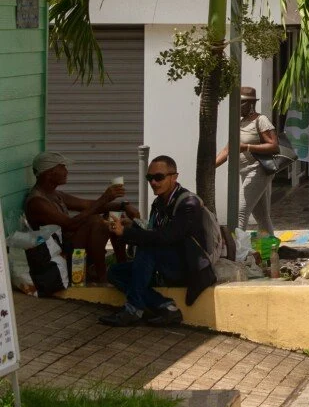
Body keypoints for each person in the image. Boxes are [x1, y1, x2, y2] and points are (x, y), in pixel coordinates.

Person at [100, 156, 216, 327]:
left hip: (188, 268)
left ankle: (133, 309)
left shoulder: (189, 204)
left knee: (148, 247)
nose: (153, 182)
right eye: (150, 178)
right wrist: (132, 225)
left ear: (174, 177)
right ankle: (166, 307)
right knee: (115, 272)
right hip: (162, 265)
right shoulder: (158, 203)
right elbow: (155, 233)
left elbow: (166, 237)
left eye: (159, 177)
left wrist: (126, 232)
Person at [23, 153, 135, 285]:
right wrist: (104, 198)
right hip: (60, 253)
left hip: (73, 244)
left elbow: (87, 205)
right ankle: (102, 278)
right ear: (49, 173)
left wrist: (122, 206)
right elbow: (69, 224)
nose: (66, 171)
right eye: (62, 167)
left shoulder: (54, 194)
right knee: (95, 221)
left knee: (113, 216)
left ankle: (122, 267)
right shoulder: (37, 202)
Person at [213, 87, 281, 234]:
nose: (238, 107)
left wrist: (247, 147)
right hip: (245, 171)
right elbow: (227, 150)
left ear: (251, 104)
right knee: (261, 216)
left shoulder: (261, 120)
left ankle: (236, 247)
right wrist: (210, 167)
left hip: (258, 171)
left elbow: (274, 146)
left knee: (240, 212)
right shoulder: (241, 123)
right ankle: (270, 245)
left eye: (241, 103)